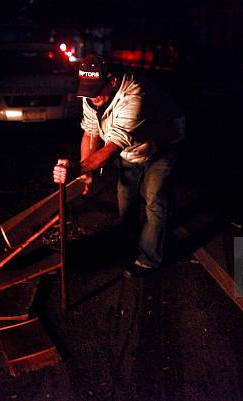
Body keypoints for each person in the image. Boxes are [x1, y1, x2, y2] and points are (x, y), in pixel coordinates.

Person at [53, 54, 185, 278]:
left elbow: (110, 148)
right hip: (130, 150)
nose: (92, 97)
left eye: (96, 90)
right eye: (87, 90)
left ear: (112, 81)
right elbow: (90, 133)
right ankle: (128, 243)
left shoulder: (134, 94)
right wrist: (85, 176)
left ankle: (148, 259)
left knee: (154, 201)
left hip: (159, 145)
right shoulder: (91, 96)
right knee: (126, 198)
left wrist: (77, 169)